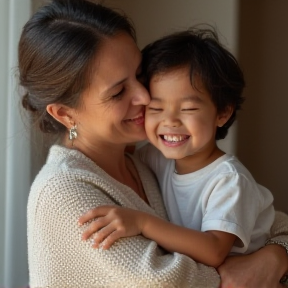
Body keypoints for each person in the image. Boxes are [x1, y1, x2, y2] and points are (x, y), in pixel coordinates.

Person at [19, 0, 288, 287]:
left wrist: (275, 255)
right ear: (64, 113)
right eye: (119, 91)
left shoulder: (146, 161)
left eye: (139, 75)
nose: (145, 98)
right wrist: (267, 262)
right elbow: (172, 281)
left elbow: (271, 220)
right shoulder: (62, 192)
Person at [78, 28, 275, 269]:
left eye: (188, 109)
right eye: (156, 108)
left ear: (222, 113)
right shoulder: (156, 157)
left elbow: (214, 250)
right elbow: (116, 153)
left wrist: (142, 223)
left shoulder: (229, 181)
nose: (170, 121)